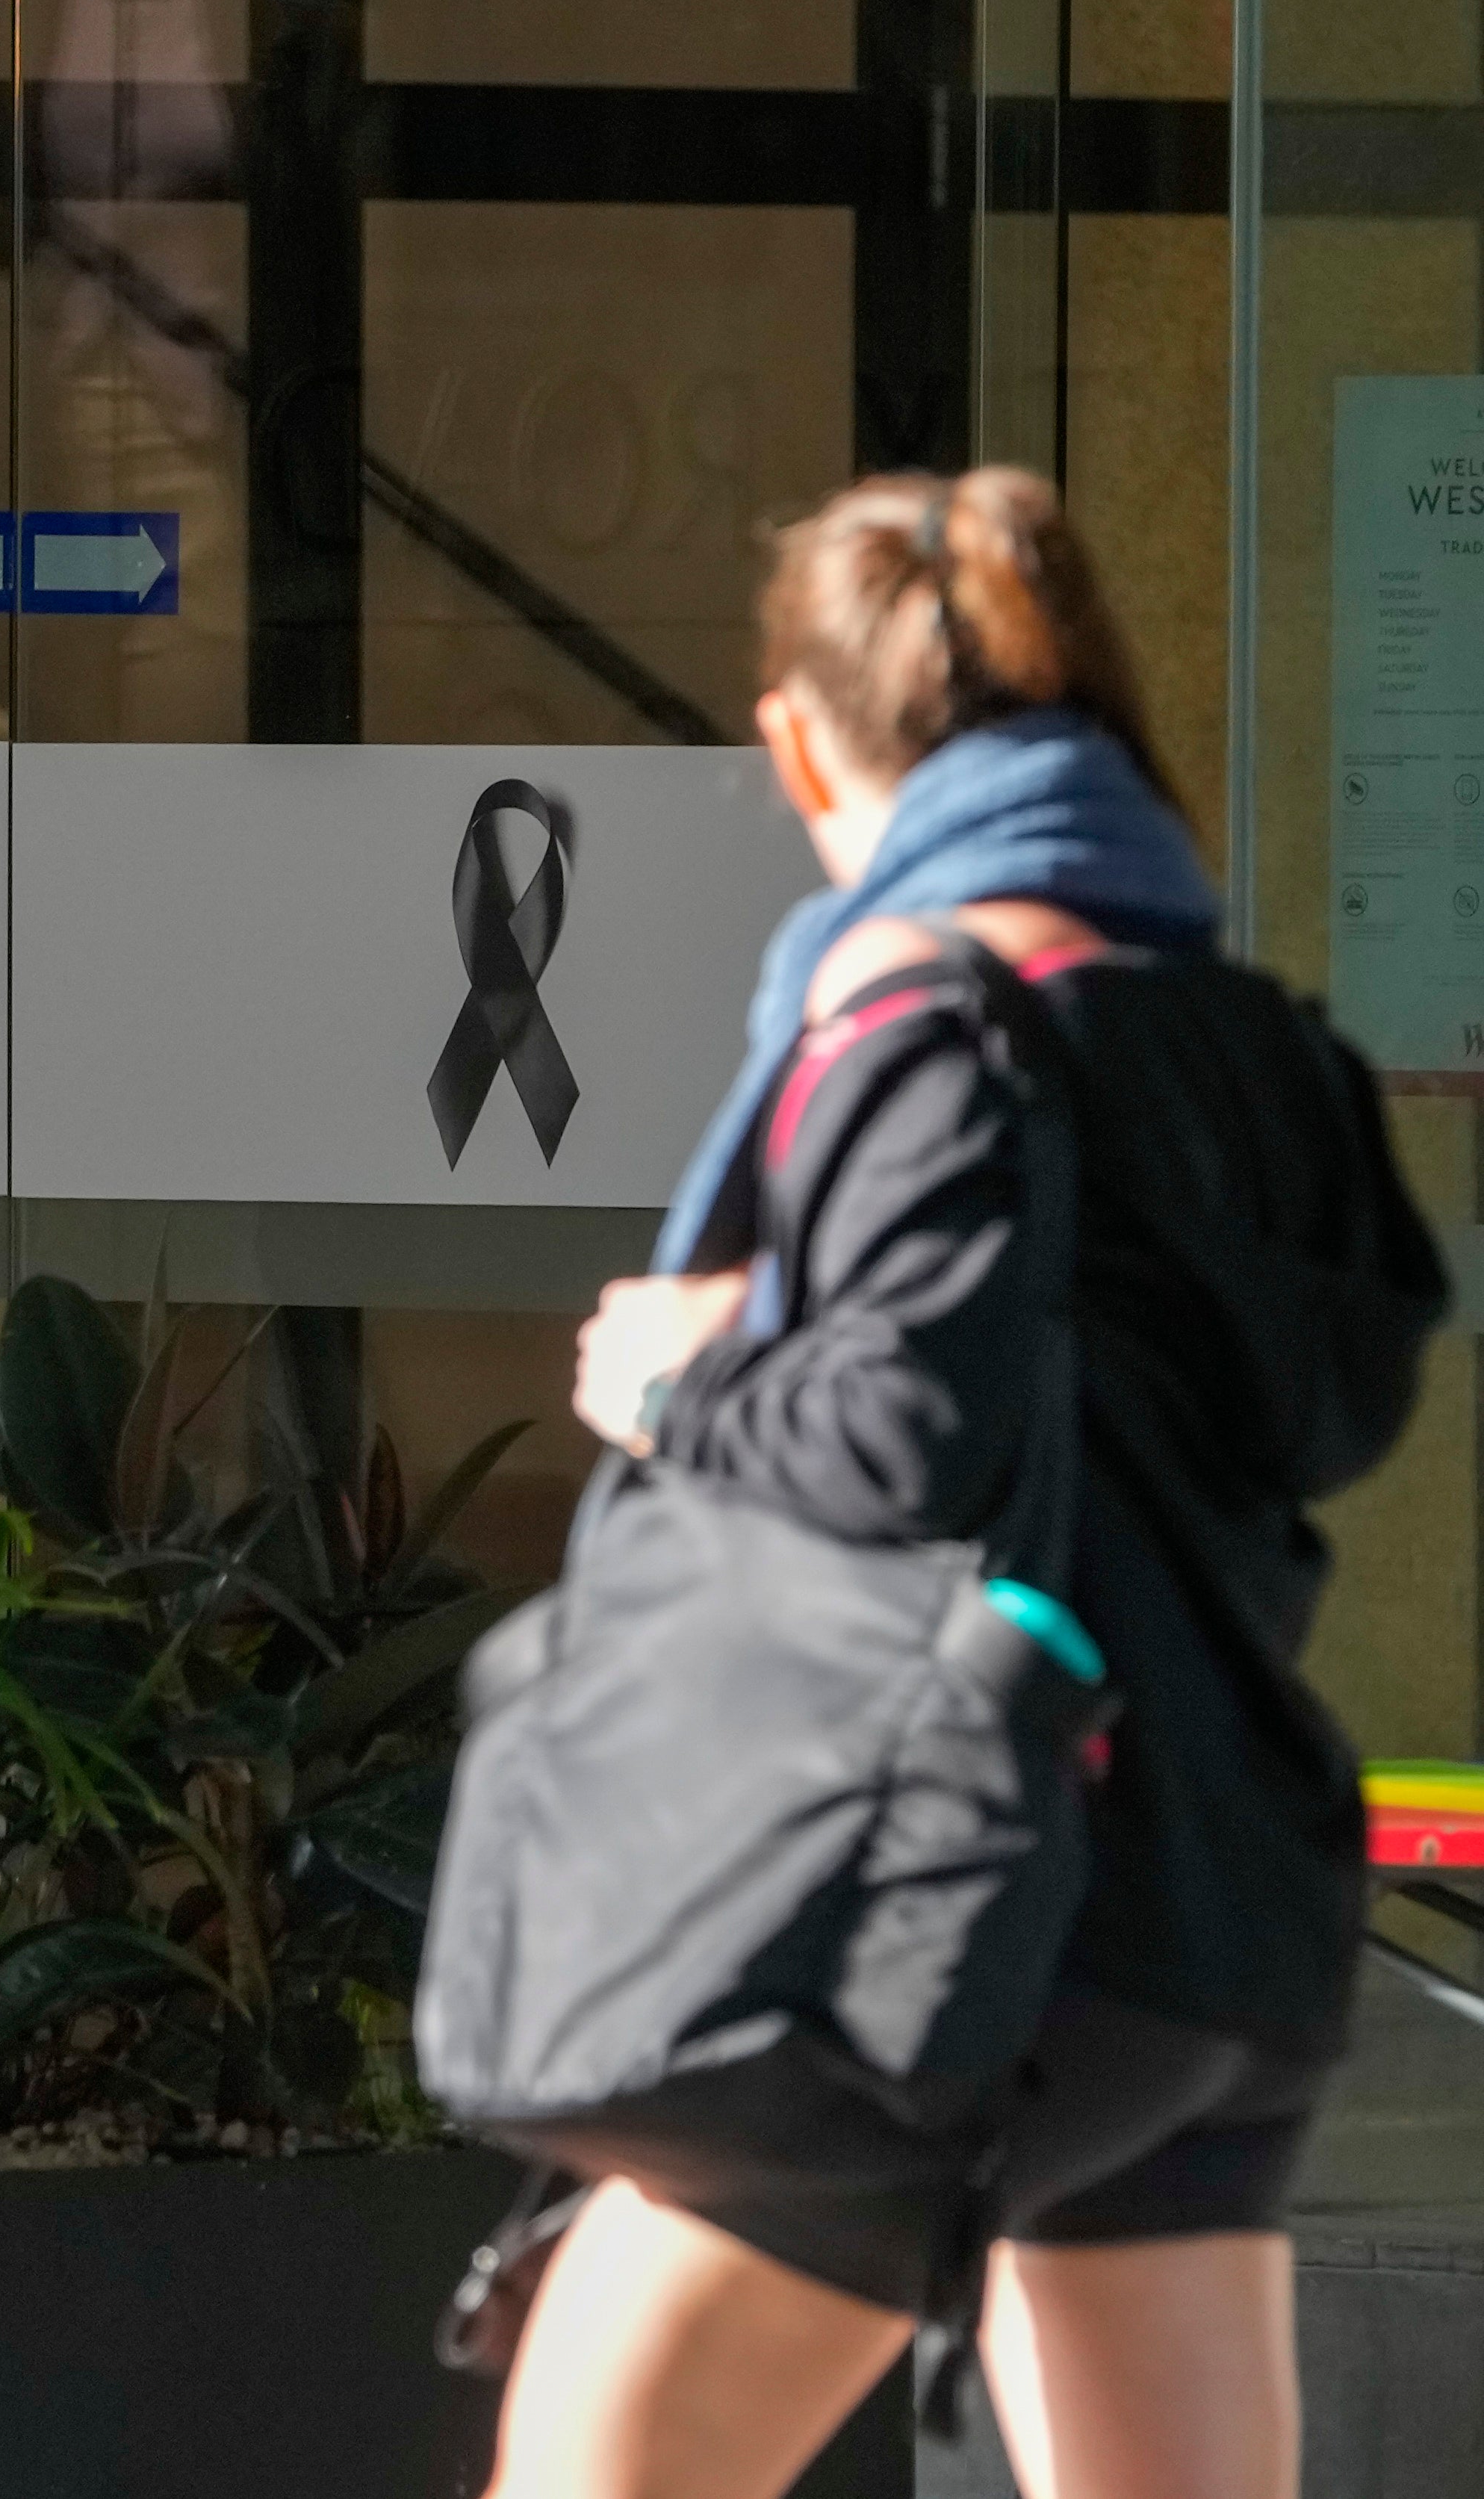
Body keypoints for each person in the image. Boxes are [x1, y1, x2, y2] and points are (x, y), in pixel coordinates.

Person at [495, 468, 1444, 2499]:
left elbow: (910, 1428)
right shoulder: (1263, 1048)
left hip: (953, 1911)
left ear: (794, 738)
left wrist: (692, 1372)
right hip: (1218, 1907)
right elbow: (1342, 1397)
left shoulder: (924, 1023)